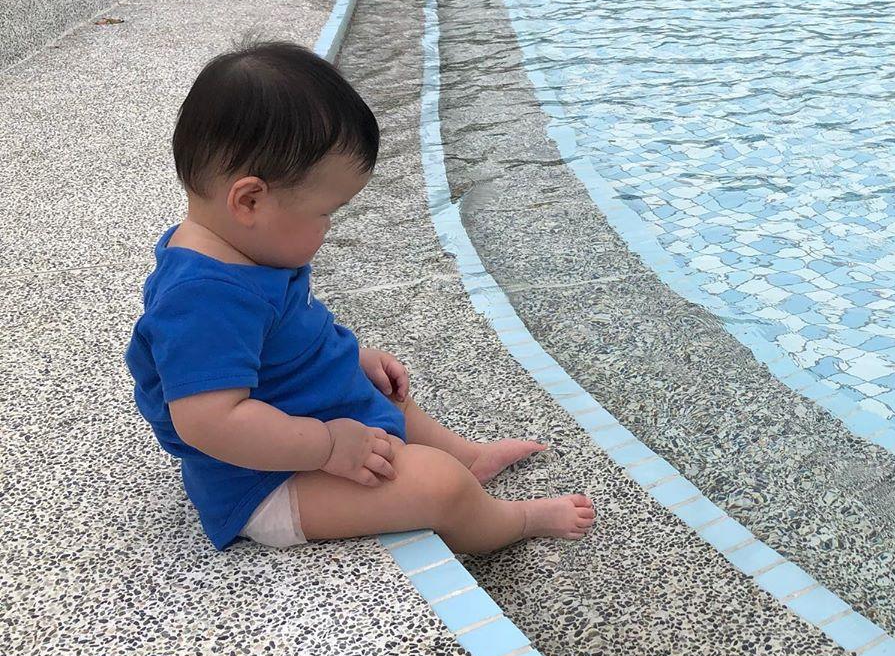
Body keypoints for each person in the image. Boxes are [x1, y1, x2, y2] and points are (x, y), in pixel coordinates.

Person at [125, 42, 596, 553]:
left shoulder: (242, 250)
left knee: (392, 400)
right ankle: (507, 521)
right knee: (437, 484)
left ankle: (470, 458)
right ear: (250, 200)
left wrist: (348, 359)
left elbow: (276, 340)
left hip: (304, 428)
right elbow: (208, 421)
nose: (329, 227)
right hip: (265, 485)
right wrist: (328, 447)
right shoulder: (201, 298)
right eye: (327, 212)